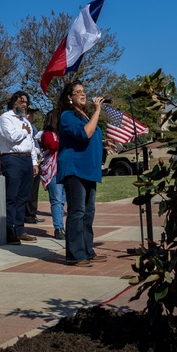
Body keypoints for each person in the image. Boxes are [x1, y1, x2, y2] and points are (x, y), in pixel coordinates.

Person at [56, 81, 105, 267]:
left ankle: (87, 250)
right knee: (77, 212)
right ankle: (74, 255)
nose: (83, 94)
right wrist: (98, 110)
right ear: (70, 97)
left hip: (89, 169)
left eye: (84, 91)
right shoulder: (67, 116)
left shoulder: (84, 116)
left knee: (89, 212)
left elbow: (92, 136)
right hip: (75, 168)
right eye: (78, 92)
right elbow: (85, 134)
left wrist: (104, 143)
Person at [0, 91, 38, 244]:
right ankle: (9, 231)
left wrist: (34, 162)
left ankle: (20, 229)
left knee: (23, 197)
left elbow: (31, 143)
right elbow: (11, 137)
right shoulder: (5, 118)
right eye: (21, 101)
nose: (24, 104)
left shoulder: (25, 121)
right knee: (11, 197)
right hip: (12, 159)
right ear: (13, 102)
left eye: (26, 102)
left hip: (26, 160)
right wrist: (24, 130)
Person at [39, 111, 66, 240]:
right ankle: (58, 228)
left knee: (62, 201)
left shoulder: (62, 134)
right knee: (56, 200)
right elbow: (51, 145)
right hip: (52, 171)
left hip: (63, 170)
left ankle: (62, 227)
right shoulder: (48, 134)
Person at [24, 107, 45, 226]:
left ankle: (32, 213)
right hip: (28, 160)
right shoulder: (25, 126)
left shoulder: (33, 127)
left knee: (34, 190)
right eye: (29, 113)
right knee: (29, 190)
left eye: (32, 114)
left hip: (36, 160)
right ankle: (28, 215)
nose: (31, 116)